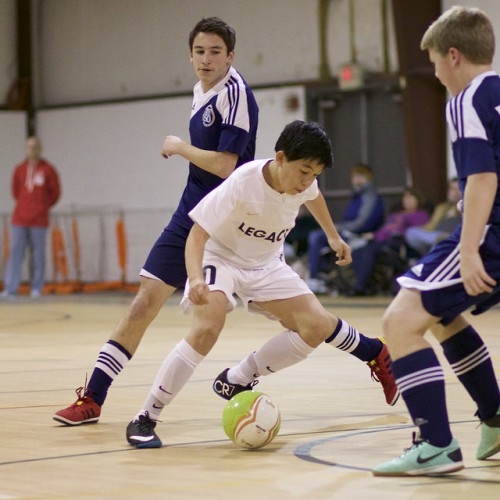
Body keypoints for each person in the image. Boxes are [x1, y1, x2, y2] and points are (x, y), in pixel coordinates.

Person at [125, 120, 399, 448]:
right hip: (221, 258)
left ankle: (237, 379)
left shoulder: (303, 182)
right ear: (280, 158)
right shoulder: (243, 181)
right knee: (207, 328)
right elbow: (196, 233)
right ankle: (146, 416)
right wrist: (196, 277)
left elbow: (315, 197)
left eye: (315, 174)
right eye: (304, 171)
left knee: (315, 326)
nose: (308, 181)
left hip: (266, 263)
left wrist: (333, 235)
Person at [53, 17, 259, 425]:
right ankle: (92, 398)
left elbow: (225, 166)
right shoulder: (201, 89)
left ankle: (371, 351)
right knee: (143, 302)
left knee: (293, 318)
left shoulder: (236, 94)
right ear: (190, 55)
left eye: (215, 51)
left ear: (230, 56)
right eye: (199, 51)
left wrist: (180, 147)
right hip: (190, 213)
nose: (206, 59)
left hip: (228, 221)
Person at [373, 6, 500, 476]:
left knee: (401, 321)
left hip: (491, 238)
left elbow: (484, 177)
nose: (433, 71)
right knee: (442, 314)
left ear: (452, 56)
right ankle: (496, 415)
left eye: (432, 61)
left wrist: (468, 250)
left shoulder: (467, 99)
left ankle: (436, 444)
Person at [307, 163, 384, 293]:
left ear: (368, 178)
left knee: (317, 236)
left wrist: (338, 228)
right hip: (349, 231)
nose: (357, 179)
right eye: (355, 176)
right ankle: (317, 276)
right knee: (317, 236)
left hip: (359, 234)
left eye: (361, 176)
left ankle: (315, 278)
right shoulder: (357, 196)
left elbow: (363, 223)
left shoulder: (369, 196)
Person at [1, 136, 61, 299]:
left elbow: (55, 193)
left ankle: (36, 288)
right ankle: (10, 288)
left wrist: (42, 207)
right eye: (29, 147)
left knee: (38, 255)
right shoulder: (19, 169)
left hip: (39, 221)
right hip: (19, 219)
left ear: (40, 148)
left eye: (35, 147)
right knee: (15, 253)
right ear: (25, 149)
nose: (32, 150)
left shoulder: (48, 170)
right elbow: (15, 191)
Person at [347, 187, 429, 297]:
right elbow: (383, 231)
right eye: (405, 197)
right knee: (358, 251)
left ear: (418, 200)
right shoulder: (394, 215)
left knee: (369, 252)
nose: (407, 200)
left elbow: (417, 233)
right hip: (381, 240)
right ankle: (366, 285)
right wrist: (373, 235)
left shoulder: (420, 215)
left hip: (399, 242)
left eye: (411, 197)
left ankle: (359, 287)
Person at [405, 177, 461, 256]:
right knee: (411, 232)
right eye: (452, 189)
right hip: (434, 237)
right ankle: (438, 239)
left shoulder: (465, 208)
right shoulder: (441, 207)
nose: (454, 193)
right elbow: (432, 225)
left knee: (437, 246)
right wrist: (422, 231)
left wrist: (455, 211)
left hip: (452, 240)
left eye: (456, 189)